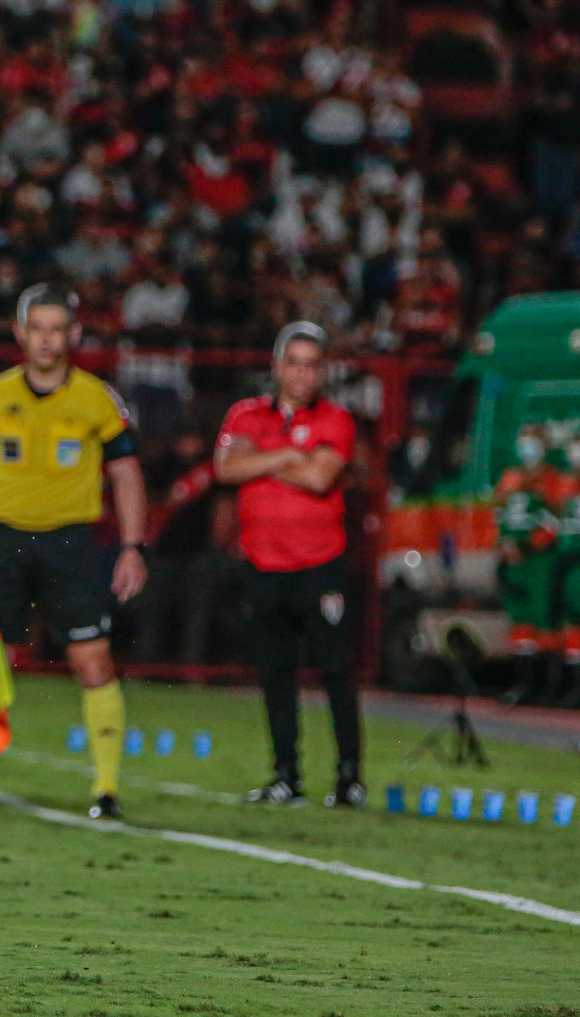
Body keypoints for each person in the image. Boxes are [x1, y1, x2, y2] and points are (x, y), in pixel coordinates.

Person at [0, 283, 148, 820]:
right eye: (38, 328)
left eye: (58, 329)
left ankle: (105, 791)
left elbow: (127, 476)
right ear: (20, 333)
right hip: (6, 541)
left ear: (73, 334)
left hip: (72, 544)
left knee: (92, 660)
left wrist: (132, 547)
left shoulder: (96, 398)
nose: (47, 340)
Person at [215, 322, 363, 807]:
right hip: (263, 564)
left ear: (322, 371)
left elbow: (321, 478)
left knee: (337, 670)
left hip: (320, 564)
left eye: (311, 364)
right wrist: (290, 455)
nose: (301, 373)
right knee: (275, 672)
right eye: (293, 362)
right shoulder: (245, 412)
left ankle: (349, 776)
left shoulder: (337, 419)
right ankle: (286, 774)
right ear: (276, 366)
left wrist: (262, 456)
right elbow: (226, 467)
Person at [495, 425, 565, 705]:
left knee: (544, 619)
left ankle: (549, 686)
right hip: (515, 562)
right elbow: (499, 514)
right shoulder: (510, 477)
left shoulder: (552, 479)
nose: (527, 448)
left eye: (533, 442)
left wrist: (528, 543)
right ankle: (522, 684)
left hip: (540, 561)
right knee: (520, 621)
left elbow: (557, 521)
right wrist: (504, 543)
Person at [544, 438, 580, 708]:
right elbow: (552, 520)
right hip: (569, 566)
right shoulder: (563, 484)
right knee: (575, 627)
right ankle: (578, 687)